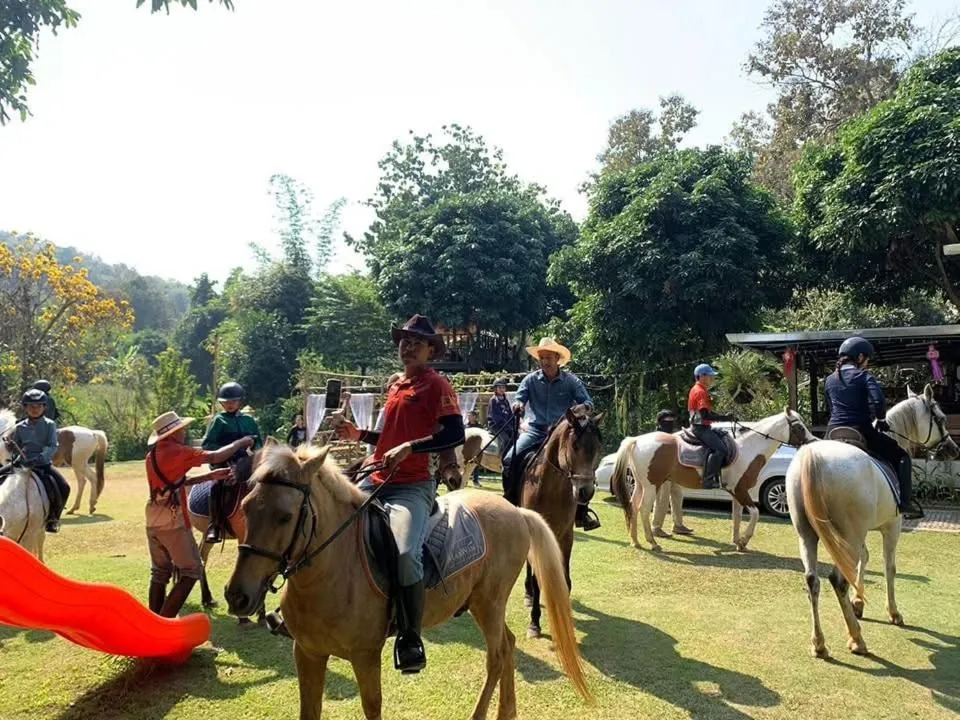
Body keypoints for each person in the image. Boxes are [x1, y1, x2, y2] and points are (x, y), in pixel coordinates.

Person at [334, 314, 464, 674]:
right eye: (404, 341)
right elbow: (390, 440)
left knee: (407, 554)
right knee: (328, 524)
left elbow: (454, 434)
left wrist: (411, 447)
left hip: (412, 486)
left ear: (430, 350)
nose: (407, 347)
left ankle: (409, 637)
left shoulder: (438, 385)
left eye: (416, 343)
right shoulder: (395, 386)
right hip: (374, 479)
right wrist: (358, 435)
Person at [145, 411, 255, 617]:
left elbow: (177, 482)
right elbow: (215, 456)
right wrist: (240, 442)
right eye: (181, 430)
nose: (184, 432)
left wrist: (210, 475)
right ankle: (164, 622)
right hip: (173, 520)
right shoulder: (178, 452)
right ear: (173, 434)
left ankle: (153, 622)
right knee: (192, 570)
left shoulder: (151, 456)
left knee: (160, 573)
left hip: (152, 519)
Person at [502, 337, 599, 531]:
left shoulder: (571, 381)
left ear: (558, 359)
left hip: (562, 435)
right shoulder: (530, 380)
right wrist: (518, 404)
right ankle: (511, 503)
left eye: (548, 357)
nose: (544, 361)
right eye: (542, 357)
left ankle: (581, 512)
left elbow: (589, 403)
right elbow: (520, 396)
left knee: (578, 465)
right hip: (536, 431)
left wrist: (582, 408)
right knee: (508, 460)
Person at [824, 336, 922, 519]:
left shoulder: (829, 380)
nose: (867, 363)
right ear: (860, 357)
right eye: (867, 359)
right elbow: (878, 401)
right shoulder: (863, 376)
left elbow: (829, 406)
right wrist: (881, 419)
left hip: (832, 432)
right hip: (860, 430)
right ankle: (905, 503)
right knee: (902, 456)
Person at [201, 382, 263, 543]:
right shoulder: (218, 421)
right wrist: (229, 450)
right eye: (226, 402)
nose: (230, 404)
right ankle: (214, 525)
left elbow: (260, 443)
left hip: (245, 462)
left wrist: (254, 445)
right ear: (221, 403)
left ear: (240, 402)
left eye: (233, 401)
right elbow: (207, 445)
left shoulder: (249, 420)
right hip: (223, 462)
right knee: (217, 486)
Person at [0, 389, 70, 532]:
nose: (35, 409)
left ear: (44, 407)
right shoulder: (19, 426)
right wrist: (11, 445)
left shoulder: (50, 425)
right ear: (25, 408)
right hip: (22, 463)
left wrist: (40, 458)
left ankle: (53, 518)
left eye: (38, 406)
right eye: (31, 406)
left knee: (64, 487)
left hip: (42, 465)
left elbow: (52, 445)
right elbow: (17, 446)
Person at [687, 364, 736, 490]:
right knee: (721, 450)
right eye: (710, 376)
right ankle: (708, 480)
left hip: (701, 427)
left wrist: (725, 417)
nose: (712, 379)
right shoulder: (700, 391)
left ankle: (717, 477)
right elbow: (705, 416)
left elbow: (707, 414)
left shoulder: (698, 389)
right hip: (700, 428)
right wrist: (725, 418)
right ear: (702, 376)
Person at [651, 409, 694, 537]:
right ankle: (656, 527)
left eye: (671, 420)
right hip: (663, 474)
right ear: (660, 422)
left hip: (674, 472)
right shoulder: (657, 437)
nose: (670, 423)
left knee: (678, 496)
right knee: (662, 500)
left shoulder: (673, 436)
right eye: (667, 421)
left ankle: (678, 525)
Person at [486, 378, 514, 458]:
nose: (502, 389)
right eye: (500, 387)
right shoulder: (494, 400)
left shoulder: (505, 400)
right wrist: (506, 425)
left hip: (506, 425)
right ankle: (502, 459)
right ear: (495, 389)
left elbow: (510, 413)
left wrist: (513, 423)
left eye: (503, 387)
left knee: (516, 436)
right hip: (495, 425)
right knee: (505, 440)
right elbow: (496, 417)